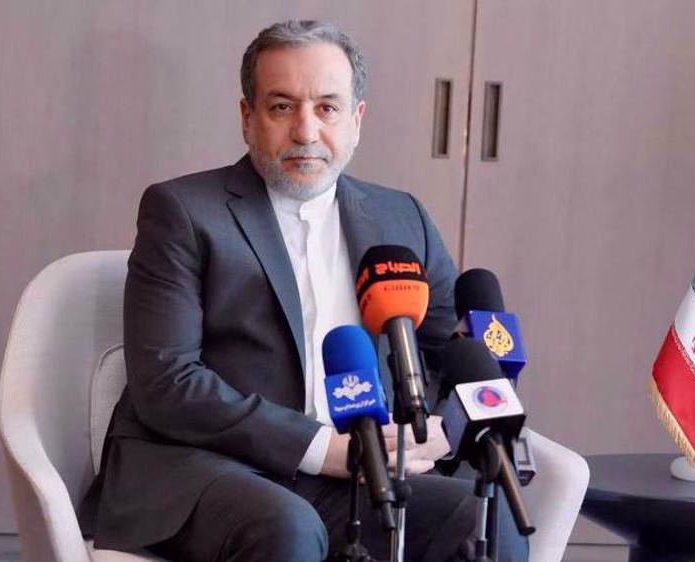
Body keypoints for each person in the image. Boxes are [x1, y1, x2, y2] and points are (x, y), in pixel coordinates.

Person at [78, 20, 529, 562]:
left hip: (358, 475)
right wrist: (320, 449)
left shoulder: (400, 218)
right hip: (208, 467)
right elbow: (167, 382)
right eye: (282, 107)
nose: (306, 131)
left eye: (328, 108)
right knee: (287, 527)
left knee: (481, 517)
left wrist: (436, 431)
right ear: (248, 118)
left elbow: (445, 354)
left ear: (357, 120)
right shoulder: (182, 212)